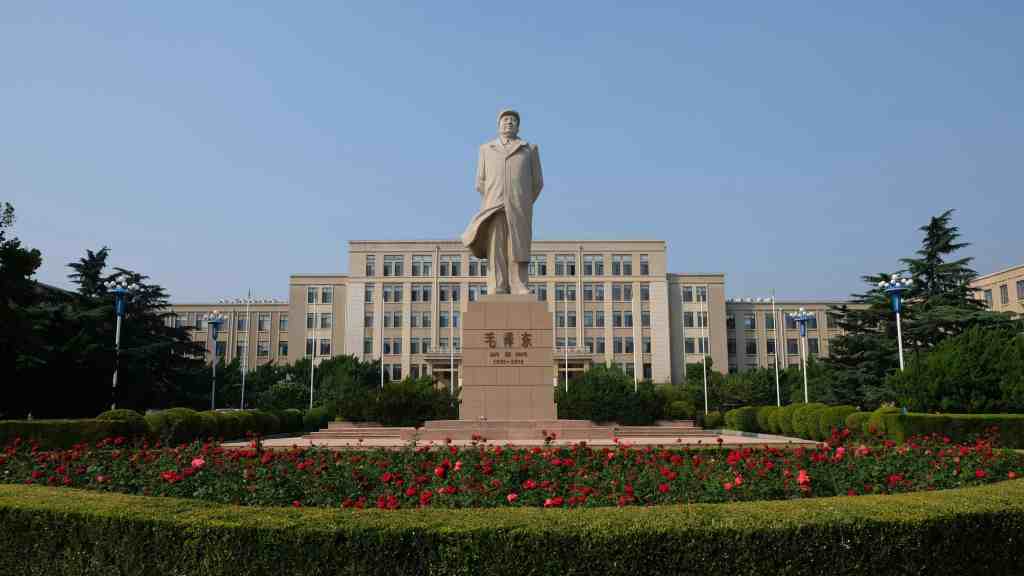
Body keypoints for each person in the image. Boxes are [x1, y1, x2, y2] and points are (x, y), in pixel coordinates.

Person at [461, 109, 543, 295]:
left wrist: (523, 200)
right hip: (494, 204)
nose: (509, 123)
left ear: (518, 126)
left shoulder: (529, 149)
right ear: (498, 125)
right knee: (495, 245)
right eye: (505, 120)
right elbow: (479, 182)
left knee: (518, 245)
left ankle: (519, 284)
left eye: (513, 120)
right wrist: (494, 195)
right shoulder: (486, 149)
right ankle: (497, 284)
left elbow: (537, 183)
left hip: (519, 205)